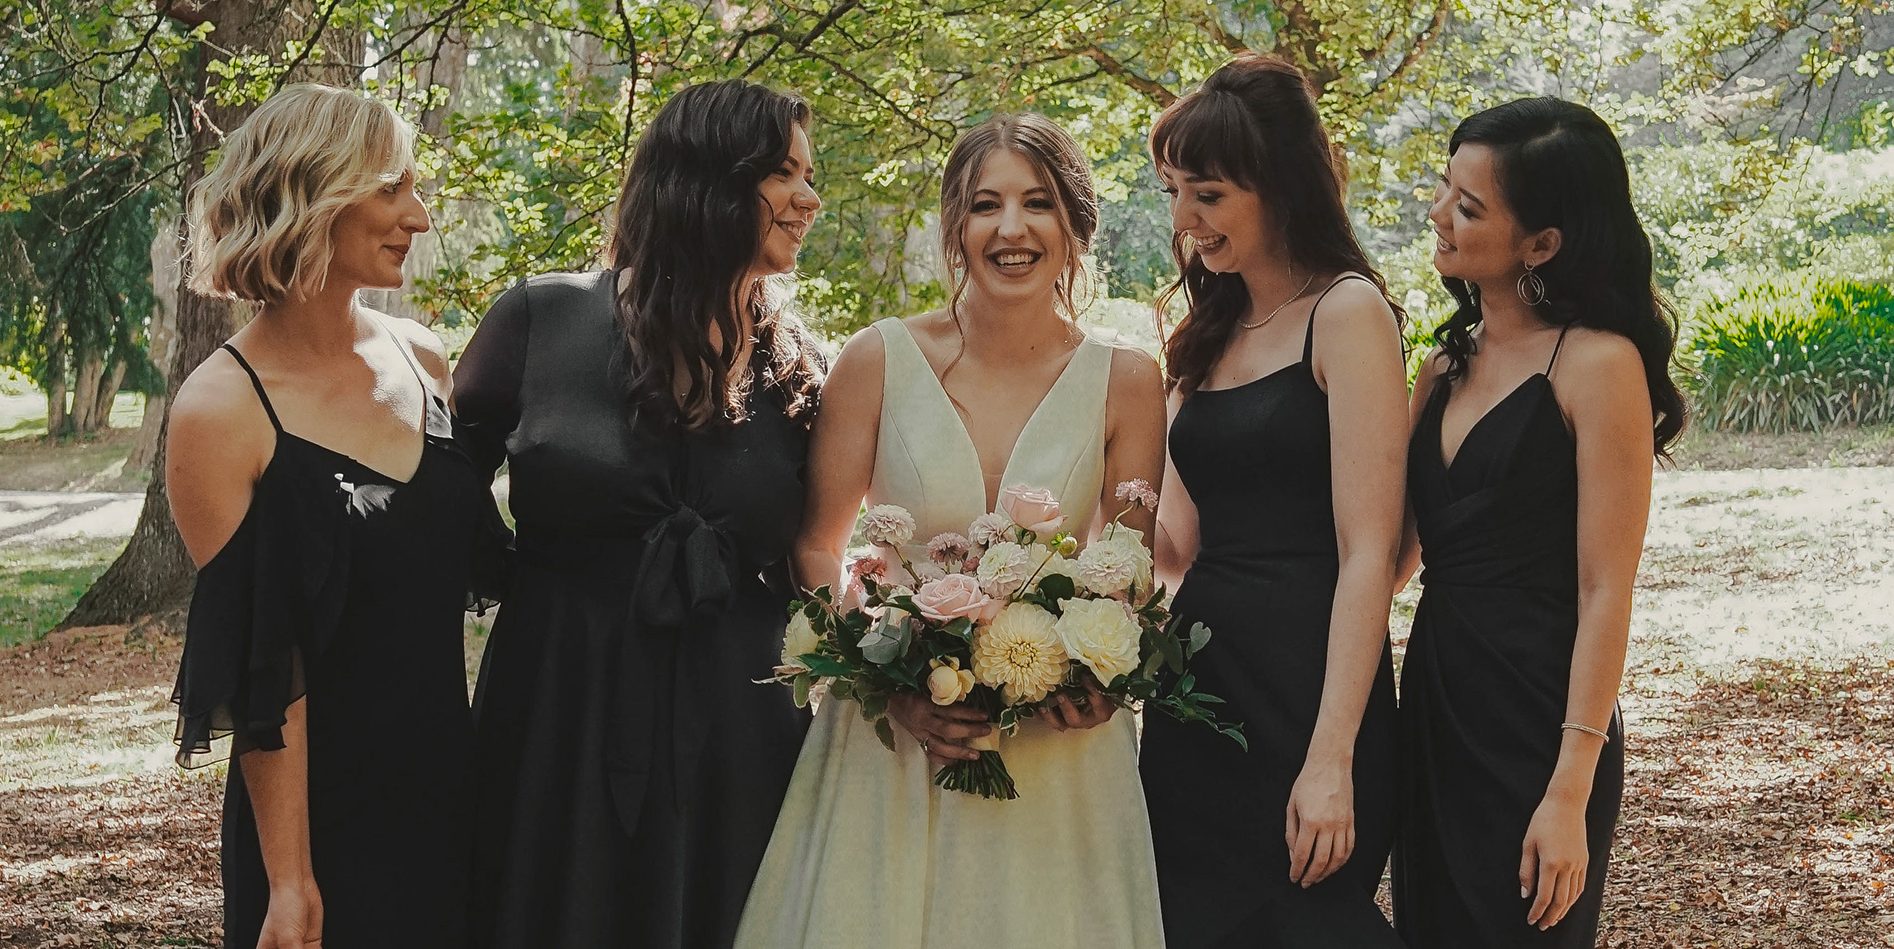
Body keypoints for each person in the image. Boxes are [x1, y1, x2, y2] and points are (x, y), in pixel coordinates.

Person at [735, 112, 1168, 949]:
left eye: (1037, 203)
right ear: (954, 225)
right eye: (984, 205)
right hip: (896, 742)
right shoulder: (877, 359)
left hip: (1056, 758)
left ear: (1075, 222)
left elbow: (1126, 566)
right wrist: (888, 681)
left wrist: (1096, 678)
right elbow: (819, 543)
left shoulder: (1127, 379)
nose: (1011, 230)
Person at [454, 79, 825, 949]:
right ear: (706, 180)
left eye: (810, 176)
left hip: (739, 720)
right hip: (560, 704)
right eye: (784, 173)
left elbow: (827, 548)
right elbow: (442, 488)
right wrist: (536, 585)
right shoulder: (539, 319)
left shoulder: (802, 368)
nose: (809, 198)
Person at [169, 83, 513, 949]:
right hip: (316, 832)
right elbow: (264, 673)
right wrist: (291, 882)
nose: (419, 217)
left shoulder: (424, 357)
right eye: (393, 189)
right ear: (311, 194)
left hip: (452, 794)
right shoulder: (219, 411)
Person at [1393, 98, 1682, 947]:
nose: (1438, 215)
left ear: (1542, 243)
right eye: (1444, 190)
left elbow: (1605, 590)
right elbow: (1395, 555)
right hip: (1436, 706)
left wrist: (1570, 790)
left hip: (1541, 723)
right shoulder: (1442, 367)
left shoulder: (1599, 365)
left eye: (1468, 207)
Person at [1140, 54, 1407, 948]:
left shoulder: (1347, 313)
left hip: (1309, 686)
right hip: (1197, 686)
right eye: (1175, 193)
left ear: (1281, 183)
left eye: (1209, 195)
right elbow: (1174, 543)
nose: (1184, 221)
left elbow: (1370, 553)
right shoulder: (1204, 334)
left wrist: (1332, 756)